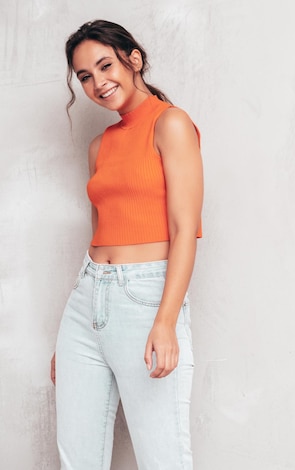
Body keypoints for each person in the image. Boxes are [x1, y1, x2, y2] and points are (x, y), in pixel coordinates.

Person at [50, 19, 203, 470]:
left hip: (145, 297)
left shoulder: (170, 124)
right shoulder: (99, 147)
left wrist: (167, 321)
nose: (98, 83)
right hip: (86, 300)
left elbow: (184, 229)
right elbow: (99, 233)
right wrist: (78, 321)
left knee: (163, 457)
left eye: (105, 66)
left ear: (133, 60)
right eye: (85, 77)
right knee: (77, 458)